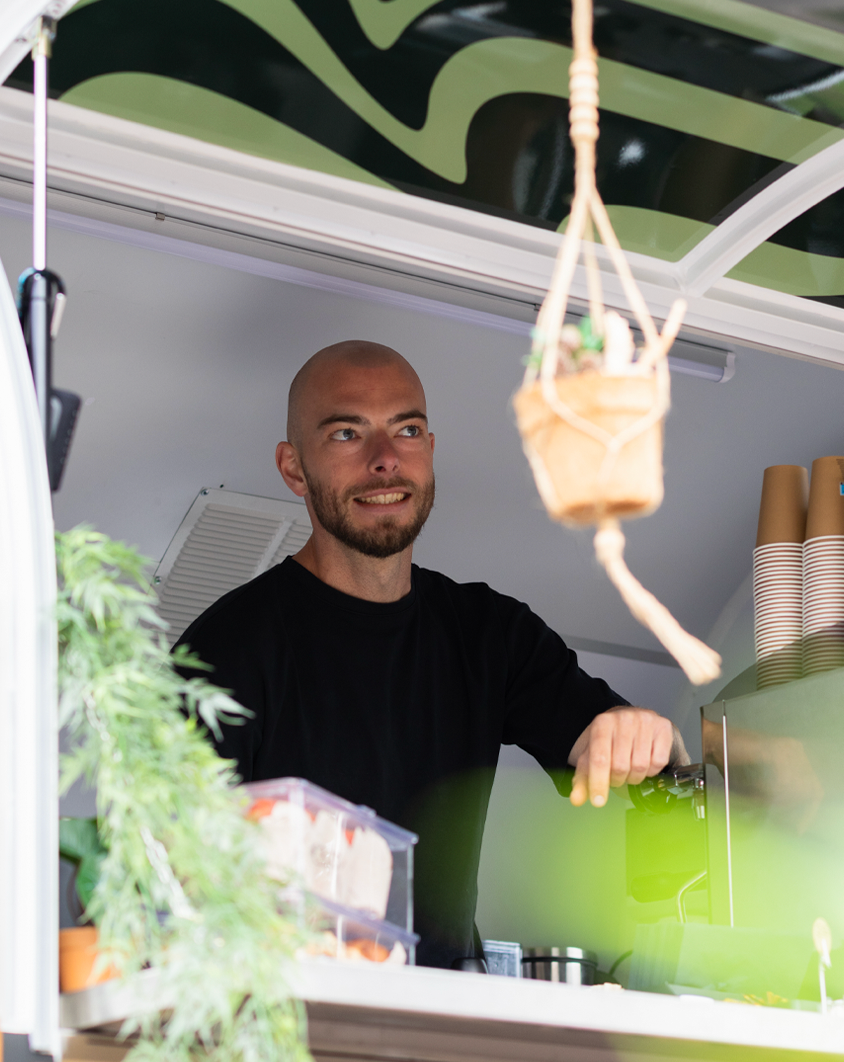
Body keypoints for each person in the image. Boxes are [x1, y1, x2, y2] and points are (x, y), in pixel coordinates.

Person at [175, 340, 688, 968]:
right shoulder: (224, 651)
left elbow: (610, 747)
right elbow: (172, 877)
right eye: (346, 434)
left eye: (407, 429)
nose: (386, 460)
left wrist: (646, 736)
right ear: (294, 469)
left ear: (431, 449)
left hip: (444, 1019)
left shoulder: (488, 633)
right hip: (288, 1018)